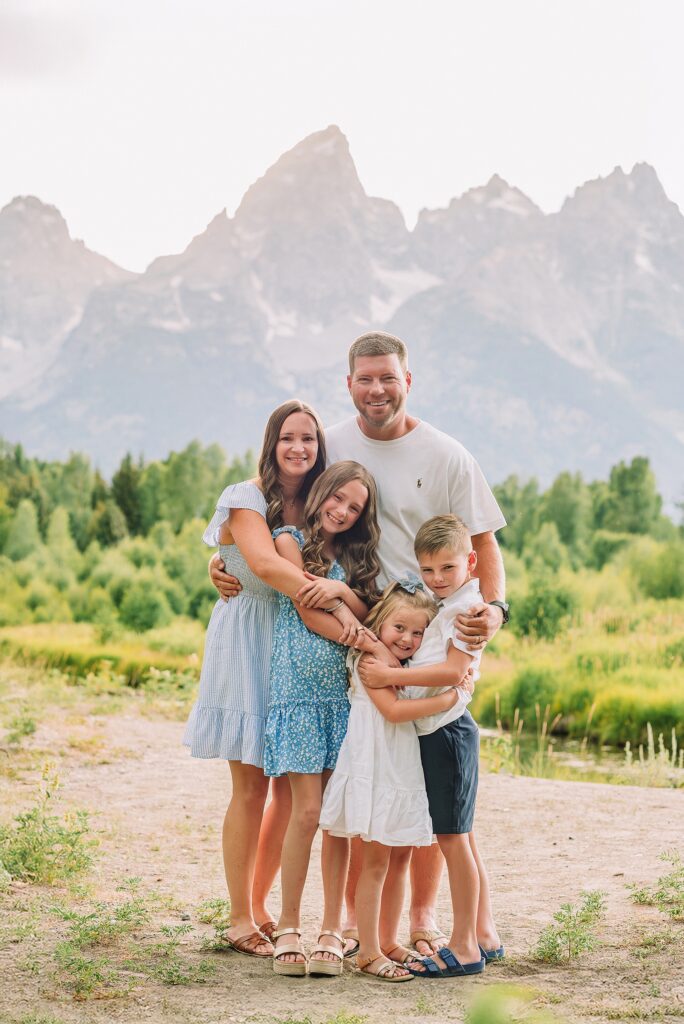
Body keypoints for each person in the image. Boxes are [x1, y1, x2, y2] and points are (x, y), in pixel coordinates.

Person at [210, 330, 507, 956]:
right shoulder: (331, 444)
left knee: (415, 776)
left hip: (421, 632)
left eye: (388, 377)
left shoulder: (448, 454)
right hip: (352, 633)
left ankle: (419, 921)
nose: (377, 389)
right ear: (348, 384)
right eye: (365, 378)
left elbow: (483, 546)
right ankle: (269, 914)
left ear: (408, 380)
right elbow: (274, 508)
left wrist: (495, 610)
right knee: (312, 792)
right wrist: (226, 560)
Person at [184, 399, 346, 958]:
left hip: (295, 649)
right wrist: (332, 599)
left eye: (308, 439)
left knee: (288, 791)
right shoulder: (245, 497)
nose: (298, 448)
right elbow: (268, 564)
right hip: (248, 643)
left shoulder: (324, 502)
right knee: (251, 785)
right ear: (271, 443)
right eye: (288, 438)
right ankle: (237, 918)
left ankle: (258, 907)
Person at [359, 514, 502, 978]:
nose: (437, 579)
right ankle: (480, 938)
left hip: (448, 732)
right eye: (429, 570)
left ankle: (464, 947)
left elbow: (450, 670)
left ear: (471, 563)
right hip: (439, 730)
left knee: (453, 840)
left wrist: (391, 677)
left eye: (447, 568)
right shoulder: (446, 603)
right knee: (456, 836)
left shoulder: (468, 610)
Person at [320, 578, 472, 982]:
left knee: (400, 858)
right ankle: (368, 952)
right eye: (399, 628)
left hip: (399, 768)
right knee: (375, 862)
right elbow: (393, 712)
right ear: (379, 623)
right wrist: (452, 697)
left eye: (418, 632)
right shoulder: (369, 663)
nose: (408, 638)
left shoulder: (399, 663)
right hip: (376, 768)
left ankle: (387, 940)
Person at [264, 461, 381, 977]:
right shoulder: (290, 542)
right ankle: (289, 924)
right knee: (306, 812)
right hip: (299, 695)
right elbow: (308, 610)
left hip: (343, 700)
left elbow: (361, 604)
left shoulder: (354, 561)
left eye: (354, 507)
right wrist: (363, 635)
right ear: (321, 493)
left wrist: (343, 594)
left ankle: (331, 930)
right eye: (338, 499)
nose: (342, 510)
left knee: (337, 817)